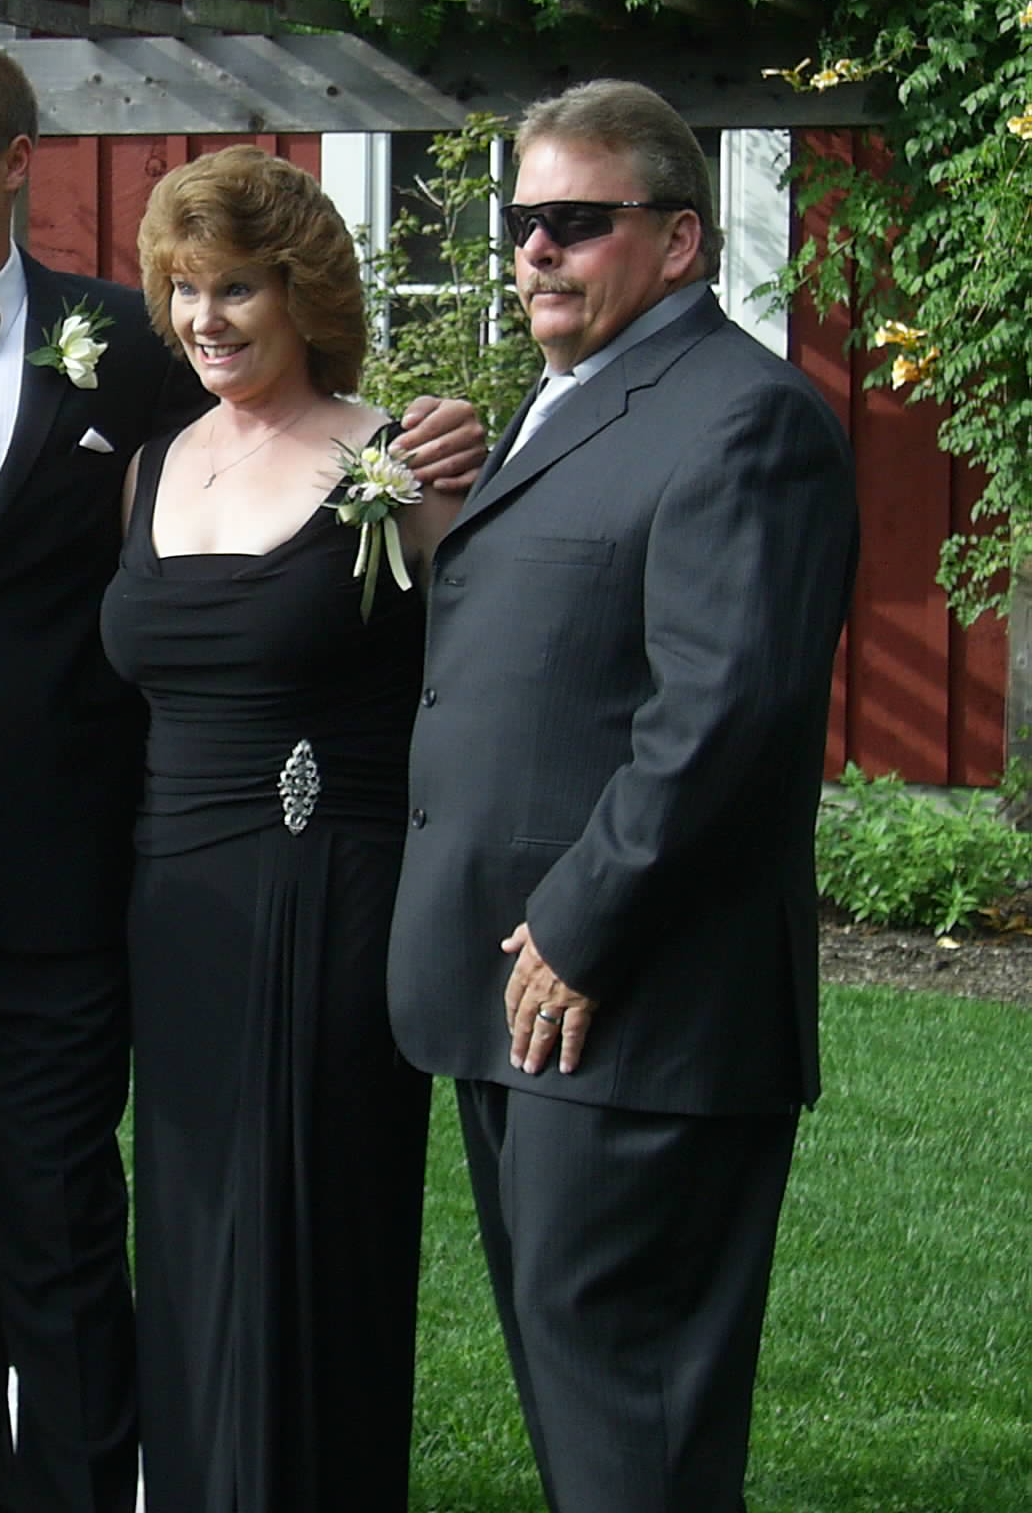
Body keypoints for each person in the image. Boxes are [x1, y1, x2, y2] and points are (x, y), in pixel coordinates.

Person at [0, 37, 484, 1513]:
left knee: (71, 1221)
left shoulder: (133, 347)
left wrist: (434, 437)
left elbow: (289, 457)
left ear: (15, 163)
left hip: (82, 870)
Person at [387, 79, 858, 1513]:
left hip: (637, 998)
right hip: (520, 994)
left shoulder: (745, 420)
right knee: (583, 1401)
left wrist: (579, 930)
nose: (535, 248)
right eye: (521, 219)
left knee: (630, 1416)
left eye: (578, 221)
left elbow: (724, 717)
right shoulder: (563, 403)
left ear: (679, 241)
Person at [101, 145, 466, 1510]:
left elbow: (487, 686)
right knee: (192, 1221)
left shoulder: (400, 462)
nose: (206, 319)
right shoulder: (151, 466)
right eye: (185, 289)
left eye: (238, 287)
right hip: (175, 904)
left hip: (331, 896)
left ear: (304, 295)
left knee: (317, 1215)